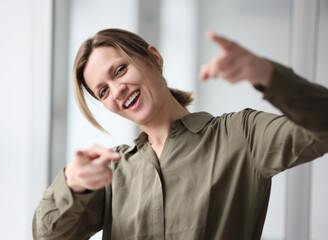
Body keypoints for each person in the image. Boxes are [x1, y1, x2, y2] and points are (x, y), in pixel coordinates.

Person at [32, 28, 328, 240]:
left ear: (154, 58)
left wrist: (267, 74)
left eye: (120, 70)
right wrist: (72, 183)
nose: (117, 90)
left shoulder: (241, 135)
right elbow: (49, 236)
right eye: (103, 91)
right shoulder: (112, 171)